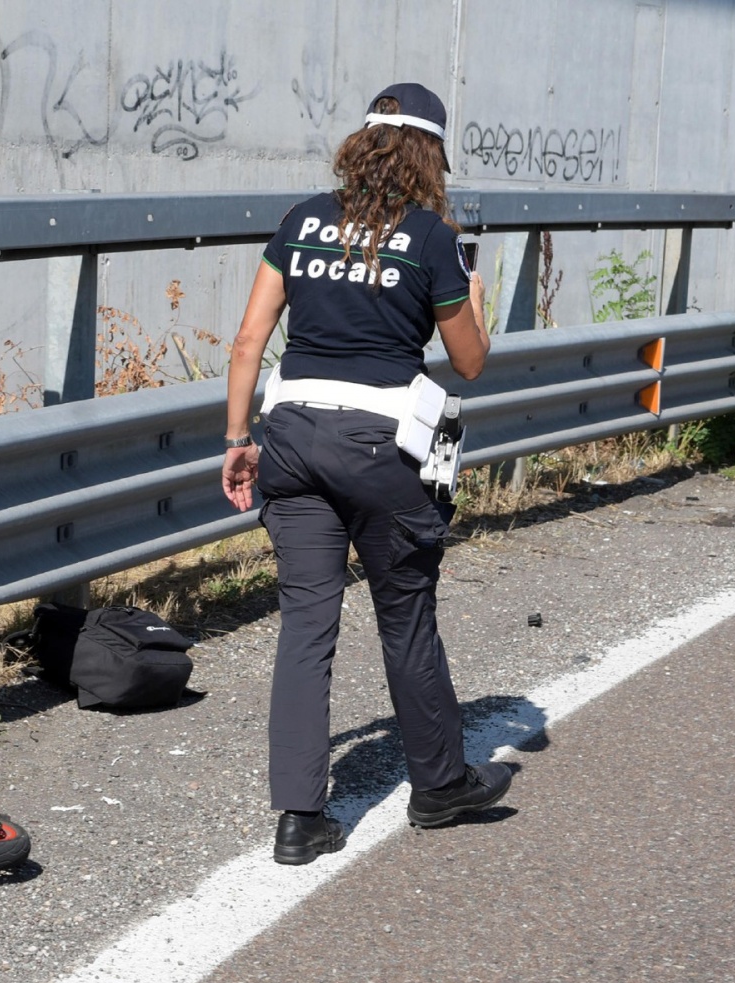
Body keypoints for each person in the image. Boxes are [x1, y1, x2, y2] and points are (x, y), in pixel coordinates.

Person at [220, 83, 510, 865]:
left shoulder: (301, 219)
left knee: (305, 625)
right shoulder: (433, 239)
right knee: (405, 613)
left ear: (363, 143)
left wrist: (237, 437)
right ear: (430, 155)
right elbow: (471, 362)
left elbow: (249, 342)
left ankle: (298, 818)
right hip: (383, 448)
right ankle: (440, 786)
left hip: (291, 436)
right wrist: (477, 298)